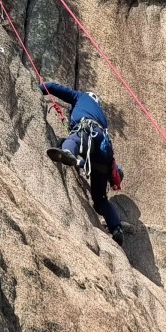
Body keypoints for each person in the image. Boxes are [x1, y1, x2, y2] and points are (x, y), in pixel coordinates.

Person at [40, 81, 126, 247]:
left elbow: (54, 88)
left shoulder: (80, 97)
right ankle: (116, 228)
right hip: (104, 152)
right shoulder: (102, 116)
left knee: (75, 139)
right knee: (100, 199)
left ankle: (68, 153)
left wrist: (40, 89)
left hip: (88, 133)